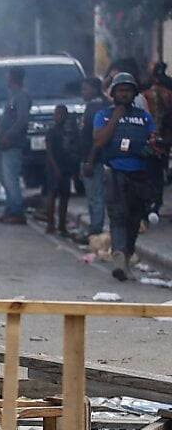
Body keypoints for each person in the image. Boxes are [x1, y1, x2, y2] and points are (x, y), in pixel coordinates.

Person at [84, 72, 158, 281]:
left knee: (134, 219)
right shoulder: (104, 115)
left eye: (127, 91)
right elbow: (99, 141)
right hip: (115, 172)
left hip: (139, 175)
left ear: (134, 93)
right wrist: (116, 116)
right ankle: (118, 256)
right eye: (120, 90)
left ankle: (125, 258)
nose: (124, 94)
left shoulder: (144, 117)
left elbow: (153, 139)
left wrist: (151, 147)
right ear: (114, 93)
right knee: (118, 216)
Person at [0, 67, 31, 224]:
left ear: (12, 78)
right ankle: (10, 210)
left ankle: (17, 212)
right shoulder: (13, 96)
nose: (5, 79)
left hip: (13, 144)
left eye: (7, 76)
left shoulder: (21, 96)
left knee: (11, 179)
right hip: (7, 144)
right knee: (6, 179)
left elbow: (22, 120)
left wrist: (8, 136)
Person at [78, 77, 109, 238]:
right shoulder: (93, 106)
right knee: (92, 196)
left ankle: (96, 229)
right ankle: (94, 227)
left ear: (94, 89)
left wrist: (90, 160)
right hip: (89, 158)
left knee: (95, 196)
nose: (82, 92)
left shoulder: (97, 108)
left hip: (94, 160)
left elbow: (97, 138)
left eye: (85, 89)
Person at [143, 62, 172, 223]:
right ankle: (156, 203)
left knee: (149, 173)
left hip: (149, 140)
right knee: (159, 172)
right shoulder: (169, 90)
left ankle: (150, 204)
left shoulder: (147, 94)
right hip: (164, 141)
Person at [44, 105, 78, 235]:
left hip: (66, 167)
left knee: (65, 195)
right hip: (54, 168)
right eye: (57, 114)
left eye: (61, 114)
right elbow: (49, 152)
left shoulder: (69, 132)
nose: (59, 117)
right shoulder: (52, 132)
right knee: (52, 195)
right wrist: (55, 167)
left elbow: (73, 150)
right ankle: (50, 223)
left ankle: (62, 224)